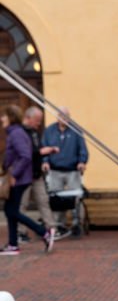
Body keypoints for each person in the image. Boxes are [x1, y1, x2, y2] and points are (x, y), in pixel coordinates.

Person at [1, 105, 52, 254]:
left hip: (19, 179)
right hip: (19, 178)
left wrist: (14, 175)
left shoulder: (16, 133)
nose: (1, 119)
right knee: (11, 210)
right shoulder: (16, 132)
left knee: (11, 211)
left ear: (10, 117)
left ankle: (43, 232)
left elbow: (25, 156)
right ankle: (12, 245)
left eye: (4, 116)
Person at [42, 106, 88, 237]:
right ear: (57, 117)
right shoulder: (49, 131)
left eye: (66, 116)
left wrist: (82, 161)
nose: (63, 118)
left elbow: (82, 149)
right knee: (55, 198)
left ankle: (77, 224)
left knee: (76, 198)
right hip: (55, 170)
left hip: (72, 169)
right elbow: (44, 147)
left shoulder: (76, 130)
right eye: (61, 116)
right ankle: (58, 225)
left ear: (69, 117)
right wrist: (45, 161)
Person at [22, 106, 56, 252]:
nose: (39, 123)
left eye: (40, 121)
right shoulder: (21, 132)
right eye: (37, 120)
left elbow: (39, 149)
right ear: (28, 118)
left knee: (43, 201)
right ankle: (20, 232)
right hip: (24, 175)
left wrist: (44, 159)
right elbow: (26, 152)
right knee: (21, 205)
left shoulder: (35, 132)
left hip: (37, 174)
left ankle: (51, 229)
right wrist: (42, 151)